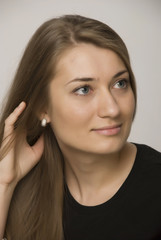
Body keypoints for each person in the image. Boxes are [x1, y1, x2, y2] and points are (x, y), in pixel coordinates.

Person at [0, 14, 161, 240]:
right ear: (42, 107)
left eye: (120, 83)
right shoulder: (25, 188)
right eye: (84, 89)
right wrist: (4, 182)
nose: (112, 109)